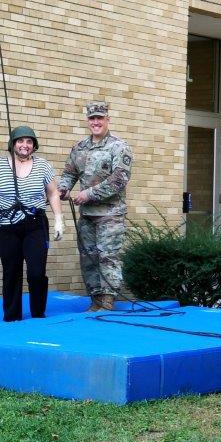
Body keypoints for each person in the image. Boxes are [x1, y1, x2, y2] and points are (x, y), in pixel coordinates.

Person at [0, 125, 65, 322]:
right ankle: (12, 316)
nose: (24, 145)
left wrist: (59, 219)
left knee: (37, 272)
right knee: (11, 271)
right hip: (8, 225)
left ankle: (38, 313)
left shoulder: (43, 166)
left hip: (35, 224)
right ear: (13, 144)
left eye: (29, 141)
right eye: (20, 141)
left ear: (34, 145)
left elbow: (53, 193)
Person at [58, 101, 133, 311]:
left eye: (100, 118)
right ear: (88, 120)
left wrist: (88, 194)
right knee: (88, 258)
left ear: (108, 119)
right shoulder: (79, 148)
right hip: (87, 216)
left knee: (108, 257)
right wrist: (63, 188)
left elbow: (119, 179)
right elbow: (69, 173)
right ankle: (96, 300)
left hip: (111, 214)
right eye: (92, 118)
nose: (96, 122)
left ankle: (108, 301)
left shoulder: (119, 147)